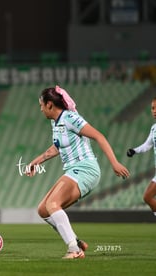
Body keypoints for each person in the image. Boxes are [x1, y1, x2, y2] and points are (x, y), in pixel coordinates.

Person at [26, 85, 130, 259]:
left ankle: (74, 249)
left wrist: (114, 163)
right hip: (74, 170)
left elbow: (99, 136)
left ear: (50, 104)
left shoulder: (70, 118)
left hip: (85, 169)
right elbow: (57, 147)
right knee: (43, 210)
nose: (41, 109)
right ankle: (76, 241)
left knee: (53, 204)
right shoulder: (56, 122)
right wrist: (36, 162)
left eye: (41, 105)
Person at [126, 97, 156, 216]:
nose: (154, 111)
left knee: (147, 197)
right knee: (147, 197)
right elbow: (147, 145)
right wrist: (134, 151)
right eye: (153, 108)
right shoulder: (154, 128)